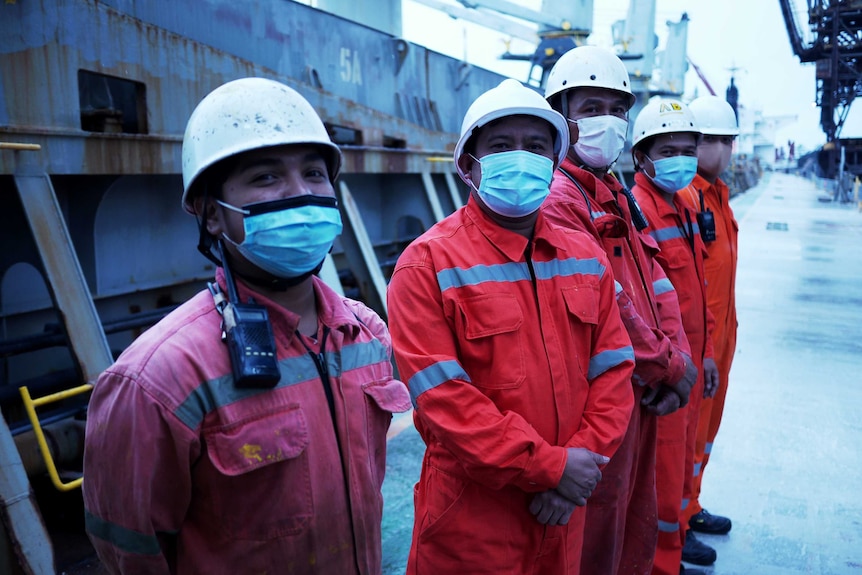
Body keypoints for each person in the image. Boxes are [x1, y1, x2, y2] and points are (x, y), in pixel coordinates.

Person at [82, 77, 411, 574]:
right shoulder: (157, 379)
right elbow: (133, 552)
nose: (300, 194)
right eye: (266, 177)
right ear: (212, 214)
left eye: (315, 174)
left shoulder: (365, 333)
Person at [387, 78, 636, 575]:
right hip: (472, 525)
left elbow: (614, 370)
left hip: (562, 514)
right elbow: (445, 403)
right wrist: (554, 469)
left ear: (553, 161)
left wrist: (577, 466)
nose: (520, 158)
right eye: (501, 146)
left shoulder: (585, 256)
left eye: (536, 146)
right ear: (468, 164)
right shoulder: (426, 266)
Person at [542, 45, 697, 575]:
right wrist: (671, 365)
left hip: (640, 389)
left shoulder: (611, 190)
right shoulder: (558, 198)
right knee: (597, 536)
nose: (606, 122)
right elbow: (611, 300)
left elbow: (656, 282)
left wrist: (675, 355)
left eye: (616, 108)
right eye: (590, 108)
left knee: (632, 518)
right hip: (603, 400)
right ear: (560, 117)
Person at [629, 98, 720, 575]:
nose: (681, 159)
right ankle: (662, 563)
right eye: (668, 150)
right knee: (661, 474)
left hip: (690, 360)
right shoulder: (638, 210)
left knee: (682, 461)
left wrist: (704, 355)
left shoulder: (682, 205)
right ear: (642, 154)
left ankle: (678, 540)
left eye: (688, 149)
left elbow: (696, 290)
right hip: (666, 371)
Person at [677, 95, 740, 539]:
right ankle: (675, 524)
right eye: (713, 140)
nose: (724, 150)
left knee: (705, 430)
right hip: (697, 342)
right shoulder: (686, 198)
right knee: (683, 434)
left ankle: (691, 503)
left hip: (721, 339)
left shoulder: (719, 198)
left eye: (728, 141)